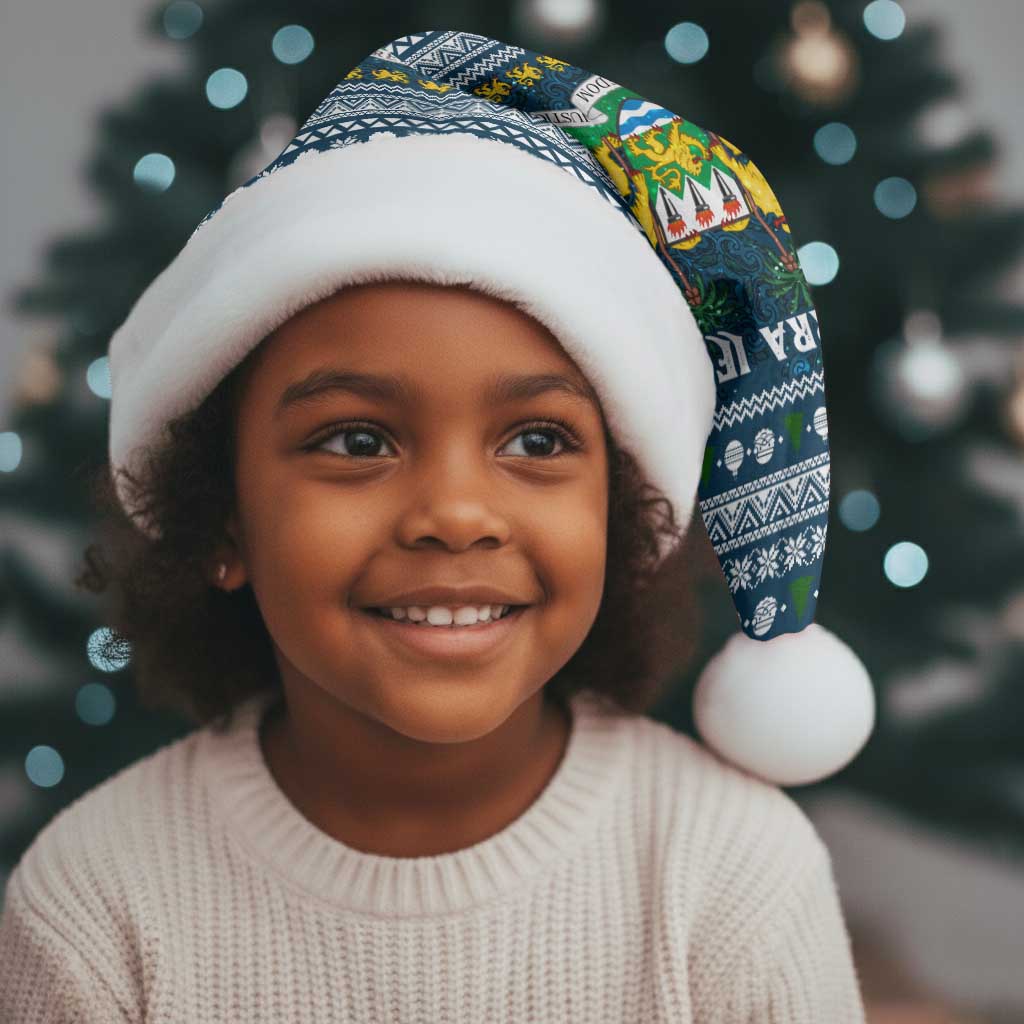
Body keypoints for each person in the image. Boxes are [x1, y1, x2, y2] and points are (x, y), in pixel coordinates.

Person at [0, 28, 872, 1022]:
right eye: (358, 441)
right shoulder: (97, 898)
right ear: (220, 518)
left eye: (538, 441)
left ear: (621, 511)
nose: (456, 514)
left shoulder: (730, 872)